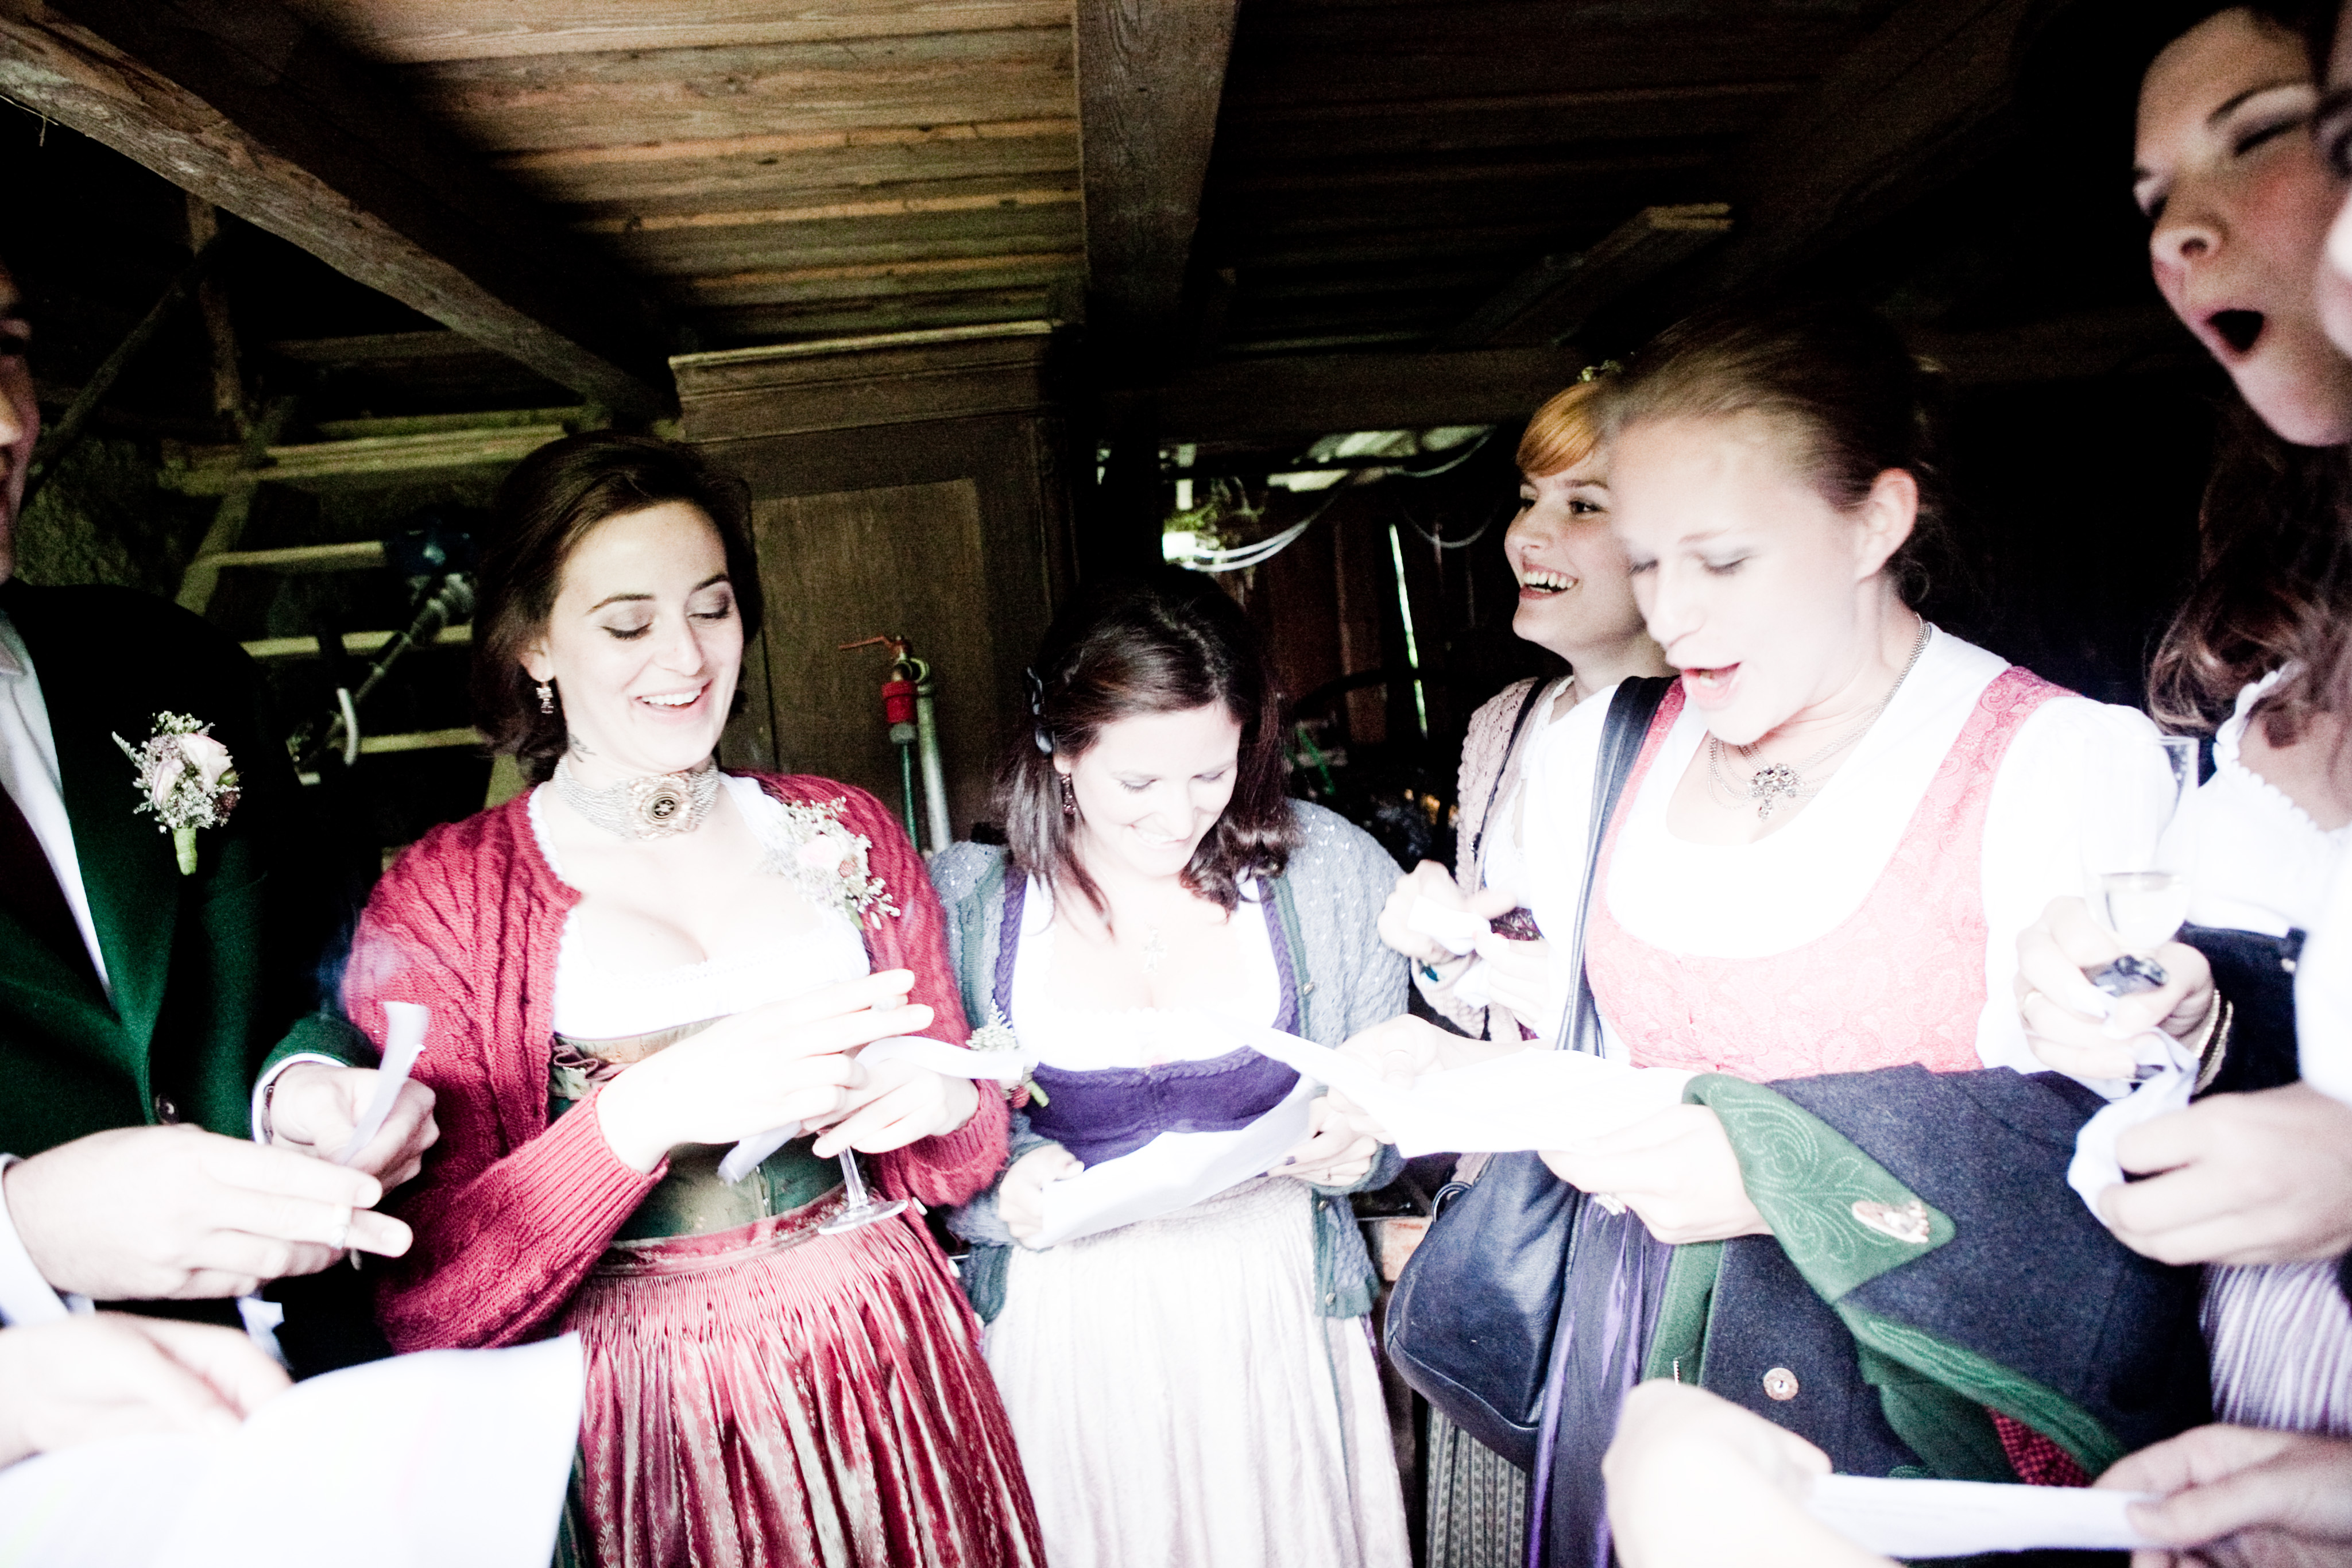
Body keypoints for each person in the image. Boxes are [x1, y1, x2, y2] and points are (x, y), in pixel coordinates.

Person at [1343, 299, 2210, 1565]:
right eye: (1649, 563)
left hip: (1904, 1441)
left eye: (1723, 562)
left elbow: (2122, 1183)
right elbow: (1598, 1049)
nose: (1674, 617)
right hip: (1637, 1372)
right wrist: (1470, 1073)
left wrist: (1780, 1171)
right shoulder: (1608, 746)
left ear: (1874, 521)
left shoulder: (2060, 762)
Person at [338, 433, 1042, 1567]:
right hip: (640, 1414)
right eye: (627, 624)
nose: (685, 655)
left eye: (711, 608)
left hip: (886, 1356)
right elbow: (430, 1300)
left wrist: (943, 1102)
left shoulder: (845, 827)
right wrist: (641, 1113)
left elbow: (957, 1166)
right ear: (532, 644)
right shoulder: (444, 899)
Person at [2010, 0, 2352, 1442]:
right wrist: (2191, 1014)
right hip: (2261, 1407)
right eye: (2152, 199)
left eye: (2264, 136)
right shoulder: (2283, 651)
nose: (2179, 236)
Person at [0, 254, 432, 1352]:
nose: (5, 424)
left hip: (315, 1362)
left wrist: (303, 1083)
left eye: (7, 351)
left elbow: (311, 953)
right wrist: (21, 1230)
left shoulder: (168, 665)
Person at [934, 577, 1412, 1568]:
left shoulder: (1328, 870)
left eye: (1211, 773)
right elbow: (914, 1149)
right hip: (1065, 1336)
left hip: (1272, 1319)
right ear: (1062, 750)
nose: (1179, 814)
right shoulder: (963, 906)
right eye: (1139, 782)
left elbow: (1398, 1088)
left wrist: (1361, 1141)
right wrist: (994, 1192)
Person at [1372, 372, 1669, 1568]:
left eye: (1582, 505)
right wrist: (1450, 952)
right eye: (1529, 499)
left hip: (1649, 1204)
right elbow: (1488, 1001)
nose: (1529, 537)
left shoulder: (1717, 722)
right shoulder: (1503, 723)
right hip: (1511, 1204)